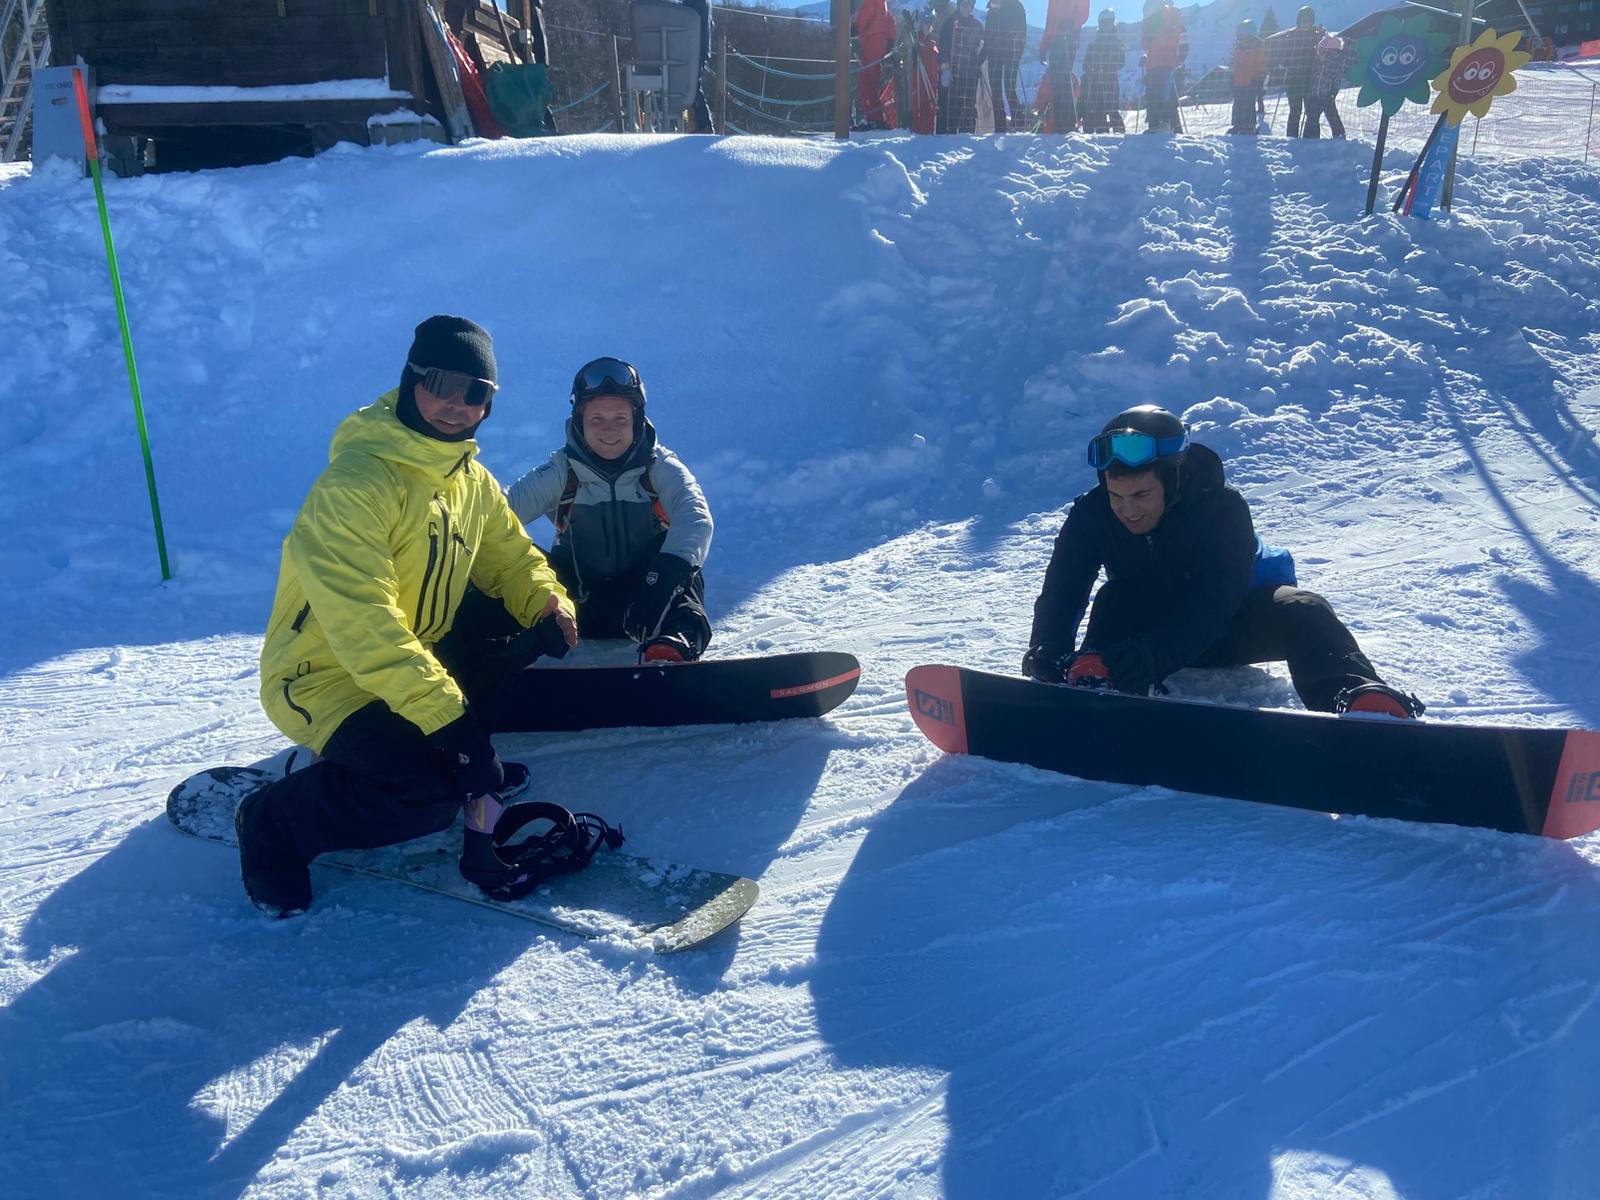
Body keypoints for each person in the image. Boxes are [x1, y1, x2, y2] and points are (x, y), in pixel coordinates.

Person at [239, 315, 579, 917]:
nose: (458, 404)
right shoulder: (356, 484)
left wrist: (548, 606)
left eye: (477, 392)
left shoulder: (469, 481)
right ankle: (272, 822)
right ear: (411, 380)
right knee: (425, 793)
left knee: (506, 622)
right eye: (443, 383)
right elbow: (365, 623)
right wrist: (451, 727)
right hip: (324, 677)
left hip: (405, 664)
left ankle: (423, 756)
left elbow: (514, 559)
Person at [1022, 406, 1423, 719]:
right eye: (1117, 496)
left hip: (1231, 625)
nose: (1128, 510)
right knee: (1115, 598)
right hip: (1149, 627)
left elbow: (1215, 604)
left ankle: (1358, 700)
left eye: (1141, 495)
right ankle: (1096, 680)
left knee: (1304, 607)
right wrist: (1048, 647)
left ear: (1172, 480)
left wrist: (1152, 656)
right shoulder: (1091, 514)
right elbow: (1063, 588)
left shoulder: (1223, 509)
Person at [507, 357, 713, 665]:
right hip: (574, 605)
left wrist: (662, 579)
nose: (609, 430)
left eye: (620, 419)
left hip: (646, 602)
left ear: (637, 420)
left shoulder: (659, 466)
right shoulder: (561, 470)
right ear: (580, 421)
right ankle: (495, 652)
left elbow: (695, 517)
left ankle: (674, 648)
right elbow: (494, 517)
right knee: (515, 560)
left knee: (684, 567)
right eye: (597, 419)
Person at [937, 0, 986, 133]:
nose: (967, 8)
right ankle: (943, 137)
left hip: (969, 74)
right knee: (948, 107)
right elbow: (943, 46)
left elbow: (984, 49)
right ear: (959, 5)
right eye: (964, 4)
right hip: (952, 72)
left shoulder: (977, 25)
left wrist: (977, 63)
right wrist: (945, 66)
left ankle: (966, 138)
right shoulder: (949, 23)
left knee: (968, 108)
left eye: (970, 5)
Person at [1040, 0, 1089, 132]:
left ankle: (1068, 124)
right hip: (1055, 41)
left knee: (1064, 80)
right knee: (1056, 82)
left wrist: (1071, 23)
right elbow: (1050, 21)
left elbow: (1084, 13)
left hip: (1070, 36)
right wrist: (1044, 46)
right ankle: (1059, 124)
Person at [1274, 5, 1320, 137]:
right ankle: (1292, 137)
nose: (1306, 23)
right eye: (1303, 20)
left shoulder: (1316, 36)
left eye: (1309, 20)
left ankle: (1311, 138)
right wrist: (1289, 61)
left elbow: (1321, 54)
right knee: (1295, 110)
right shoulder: (1290, 36)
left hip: (1310, 79)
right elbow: (1282, 58)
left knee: (1311, 111)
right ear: (1298, 21)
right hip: (1293, 79)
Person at [1140, 0, 1185, 132]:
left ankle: (1162, 125)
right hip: (1159, 64)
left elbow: (1153, 43)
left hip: (1164, 65)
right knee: (1157, 95)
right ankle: (1159, 126)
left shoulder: (1164, 22)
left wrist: (1178, 60)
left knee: (1160, 95)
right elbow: (1149, 44)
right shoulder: (1167, 20)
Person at [1079, 10, 1126, 134]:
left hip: (1110, 79)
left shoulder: (1116, 43)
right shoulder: (1094, 44)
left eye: (1108, 23)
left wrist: (1106, 67)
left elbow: (1121, 62)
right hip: (1097, 81)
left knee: (1112, 107)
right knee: (1099, 108)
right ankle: (1103, 133)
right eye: (1104, 24)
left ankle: (1118, 133)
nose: (1106, 27)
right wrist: (1093, 69)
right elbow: (1085, 65)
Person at [984, 0, 1028, 132]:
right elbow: (987, 34)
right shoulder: (992, 11)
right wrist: (987, 51)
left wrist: (1017, 53)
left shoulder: (1015, 6)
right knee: (996, 91)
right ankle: (1000, 126)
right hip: (994, 56)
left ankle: (1019, 124)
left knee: (1009, 89)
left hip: (1010, 55)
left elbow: (1021, 33)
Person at [855, 0, 899, 128]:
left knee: (865, 81)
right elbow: (890, 20)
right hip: (880, 42)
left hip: (872, 41)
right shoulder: (882, 4)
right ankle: (876, 117)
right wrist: (890, 40)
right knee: (871, 81)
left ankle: (873, 118)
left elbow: (865, 14)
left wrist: (855, 28)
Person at [1304, 32, 1353, 138]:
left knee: (1331, 114)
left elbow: (1336, 79)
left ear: (1330, 51)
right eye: (1319, 50)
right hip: (1315, 93)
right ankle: (1310, 137)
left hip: (1326, 94)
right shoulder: (1320, 61)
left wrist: (1332, 92)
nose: (1318, 53)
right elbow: (1315, 77)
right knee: (1312, 116)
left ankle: (1339, 135)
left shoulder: (1334, 63)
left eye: (1321, 50)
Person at [1229, 20, 1267, 135]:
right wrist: (1232, 79)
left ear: (1250, 35)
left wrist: (1260, 78)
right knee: (1238, 103)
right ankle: (1237, 124)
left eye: (1242, 34)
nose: (1240, 37)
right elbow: (1236, 64)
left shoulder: (1257, 48)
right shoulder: (1239, 48)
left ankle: (1249, 126)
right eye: (1239, 35)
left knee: (1249, 104)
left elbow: (1261, 64)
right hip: (1238, 81)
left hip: (1251, 81)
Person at [683, 0, 716, 133]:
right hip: (701, 48)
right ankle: (699, 124)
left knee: (692, 87)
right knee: (693, 87)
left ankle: (704, 124)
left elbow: (686, 18)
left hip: (694, 48)